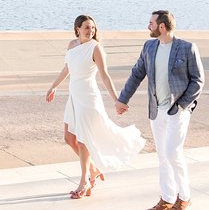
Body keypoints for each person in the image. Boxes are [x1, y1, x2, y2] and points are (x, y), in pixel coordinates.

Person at [115, 10, 205, 210]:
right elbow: (137, 73)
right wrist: (123, 99)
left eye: (151, 23)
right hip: (156, 110)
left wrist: (181, 105)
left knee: (173, 152)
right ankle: (167, 197)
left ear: (161, 26)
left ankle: (184, 197)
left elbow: (198, 81)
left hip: (177, 111)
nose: (148, 26)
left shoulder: (187, 48)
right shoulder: (149, 47)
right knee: (163, 155)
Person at [46, 14, 146, 199]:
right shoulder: (72, 46)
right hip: (74, 97)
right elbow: (67, 69)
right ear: (77, 29)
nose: (90, 31)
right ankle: (93, 169)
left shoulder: (95, 48)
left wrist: (117, 99)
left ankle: (84, 181)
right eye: (86, 27)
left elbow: (105, 75)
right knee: (69, 138)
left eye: (92, 28)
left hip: (88, 98)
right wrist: (54, 86)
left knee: (83, 140)